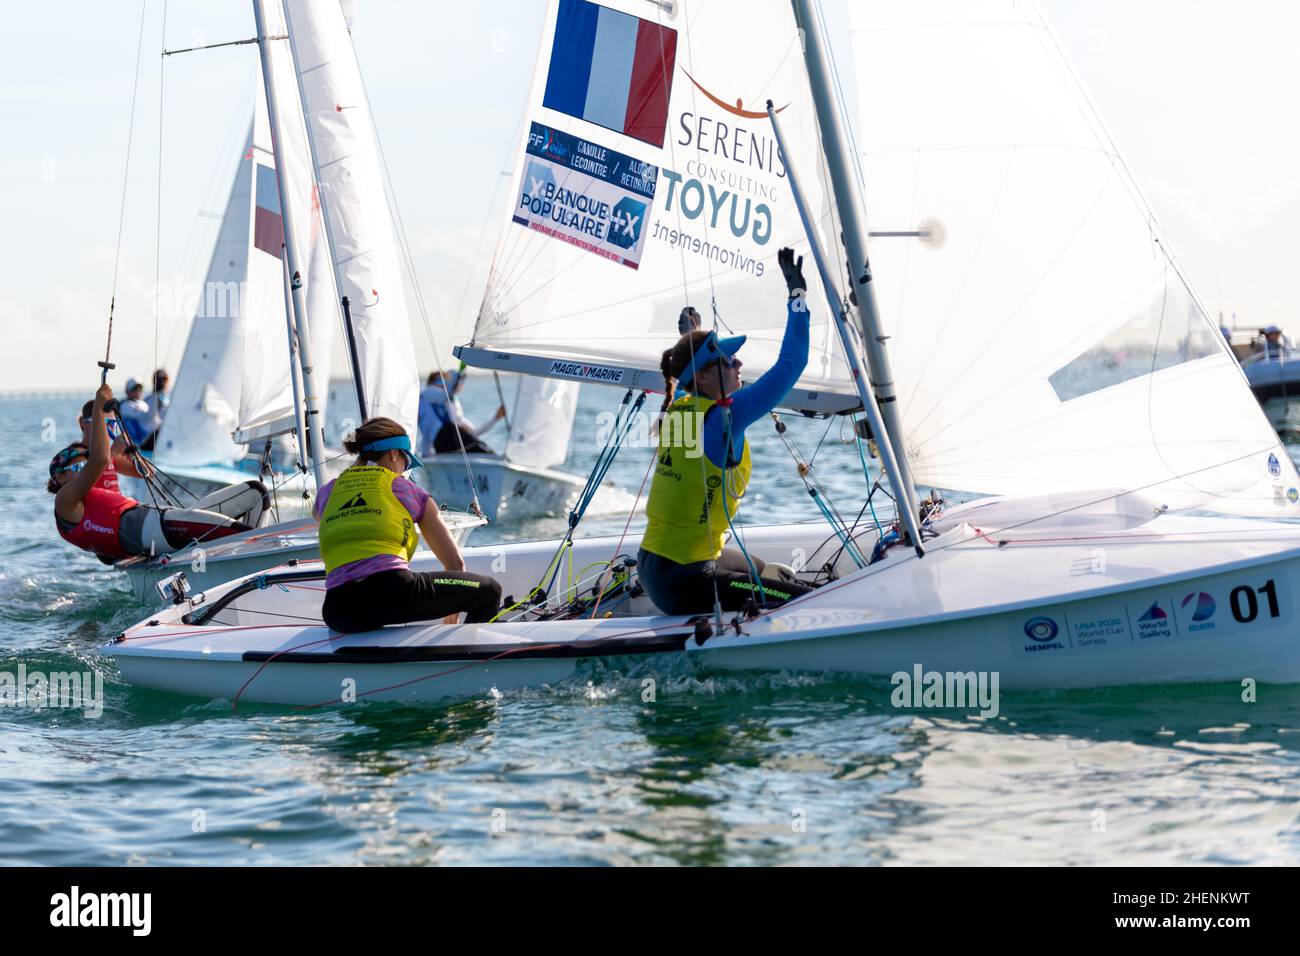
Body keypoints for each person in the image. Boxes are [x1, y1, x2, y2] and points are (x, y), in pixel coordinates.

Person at [638, 248, 819, 615]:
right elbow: (792, 363)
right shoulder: (726, 420)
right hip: (686, 579)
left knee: (758, 569)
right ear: (704, 376)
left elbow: (687, 370)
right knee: (802, 602)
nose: (738, 362)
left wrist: (690, 335)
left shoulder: (682, 407)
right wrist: (797, 299)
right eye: (726, 359)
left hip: (654, 566)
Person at [314, 416, 502, 632]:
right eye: (406, 461)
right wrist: (451, 621)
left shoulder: (327, 493)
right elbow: (455, 563)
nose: (404, 470)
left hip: (338, 610)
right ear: (394, 453)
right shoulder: (408, 490)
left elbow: (323, 518)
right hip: (393, 592)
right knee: (489, 591)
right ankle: (468, 655)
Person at [51, 385, 269, 563]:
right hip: (142, 530)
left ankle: (247, 563)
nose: (84, 472)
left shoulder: (98, 468)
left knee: (257, 493)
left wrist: (131, 451)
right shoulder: (65, 501)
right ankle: (263, 555)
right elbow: (98, 460)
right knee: (242, 535)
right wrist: (99, 407)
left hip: (153, 522)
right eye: (77, 468)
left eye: (83, 467)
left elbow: (147, 472)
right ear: (59, 477)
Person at [416, 369, 506, 457]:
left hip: (441, 443)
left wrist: (495, 419)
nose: (444, 385)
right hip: (446, 434)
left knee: (478, 446)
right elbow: (445, 395)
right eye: (442, 381)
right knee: (481, 448)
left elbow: (473, 433)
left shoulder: (437, 408)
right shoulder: (428, 392)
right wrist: (455, 376)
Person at [117, 378, 153, 446]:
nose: (138, 391)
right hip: (138, 442)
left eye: (140, 389)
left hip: (149, 438)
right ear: (127, 391)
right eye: (135, 389)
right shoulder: (124, 406)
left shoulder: (143, 403)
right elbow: (145, 416)